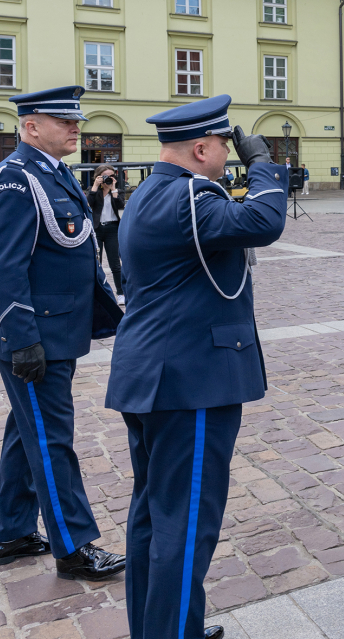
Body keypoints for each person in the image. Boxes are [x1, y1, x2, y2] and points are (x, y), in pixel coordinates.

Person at [106, 95, 287, 639]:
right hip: (190, 382)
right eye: (226, 152)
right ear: (203, 148)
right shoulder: (188, 195)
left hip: (154, 375)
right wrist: (264, 166)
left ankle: (163, 626)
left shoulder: (150, 192)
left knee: (154, 518)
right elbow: (263, 220)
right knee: (185, 526)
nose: (229, 161)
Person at [0, 85, 126, 581]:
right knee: (53, 439)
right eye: (64, 121)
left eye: (76, 120)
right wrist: (22, 337)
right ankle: (73, 546)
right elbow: (4, 265)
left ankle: (10, 533)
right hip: (36, 338)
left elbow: (79, 249)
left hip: (57, 331)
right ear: (31, 126)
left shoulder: (53, 173)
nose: (76, 127)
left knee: (25, 433)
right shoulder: (15, 179)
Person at [87, 164, 126, 305]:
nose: (108, 178)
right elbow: (87, 204)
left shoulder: (118, 191)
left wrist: (114, 191)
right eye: (105, 176)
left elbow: (121, 206)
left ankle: (121, 293)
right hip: (97, 229)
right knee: (96, 262)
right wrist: (95, 187)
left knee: (115, 263)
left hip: (112, 229)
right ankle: (98, 292)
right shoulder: (94, 191)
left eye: (111, 176)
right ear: (98, 177)